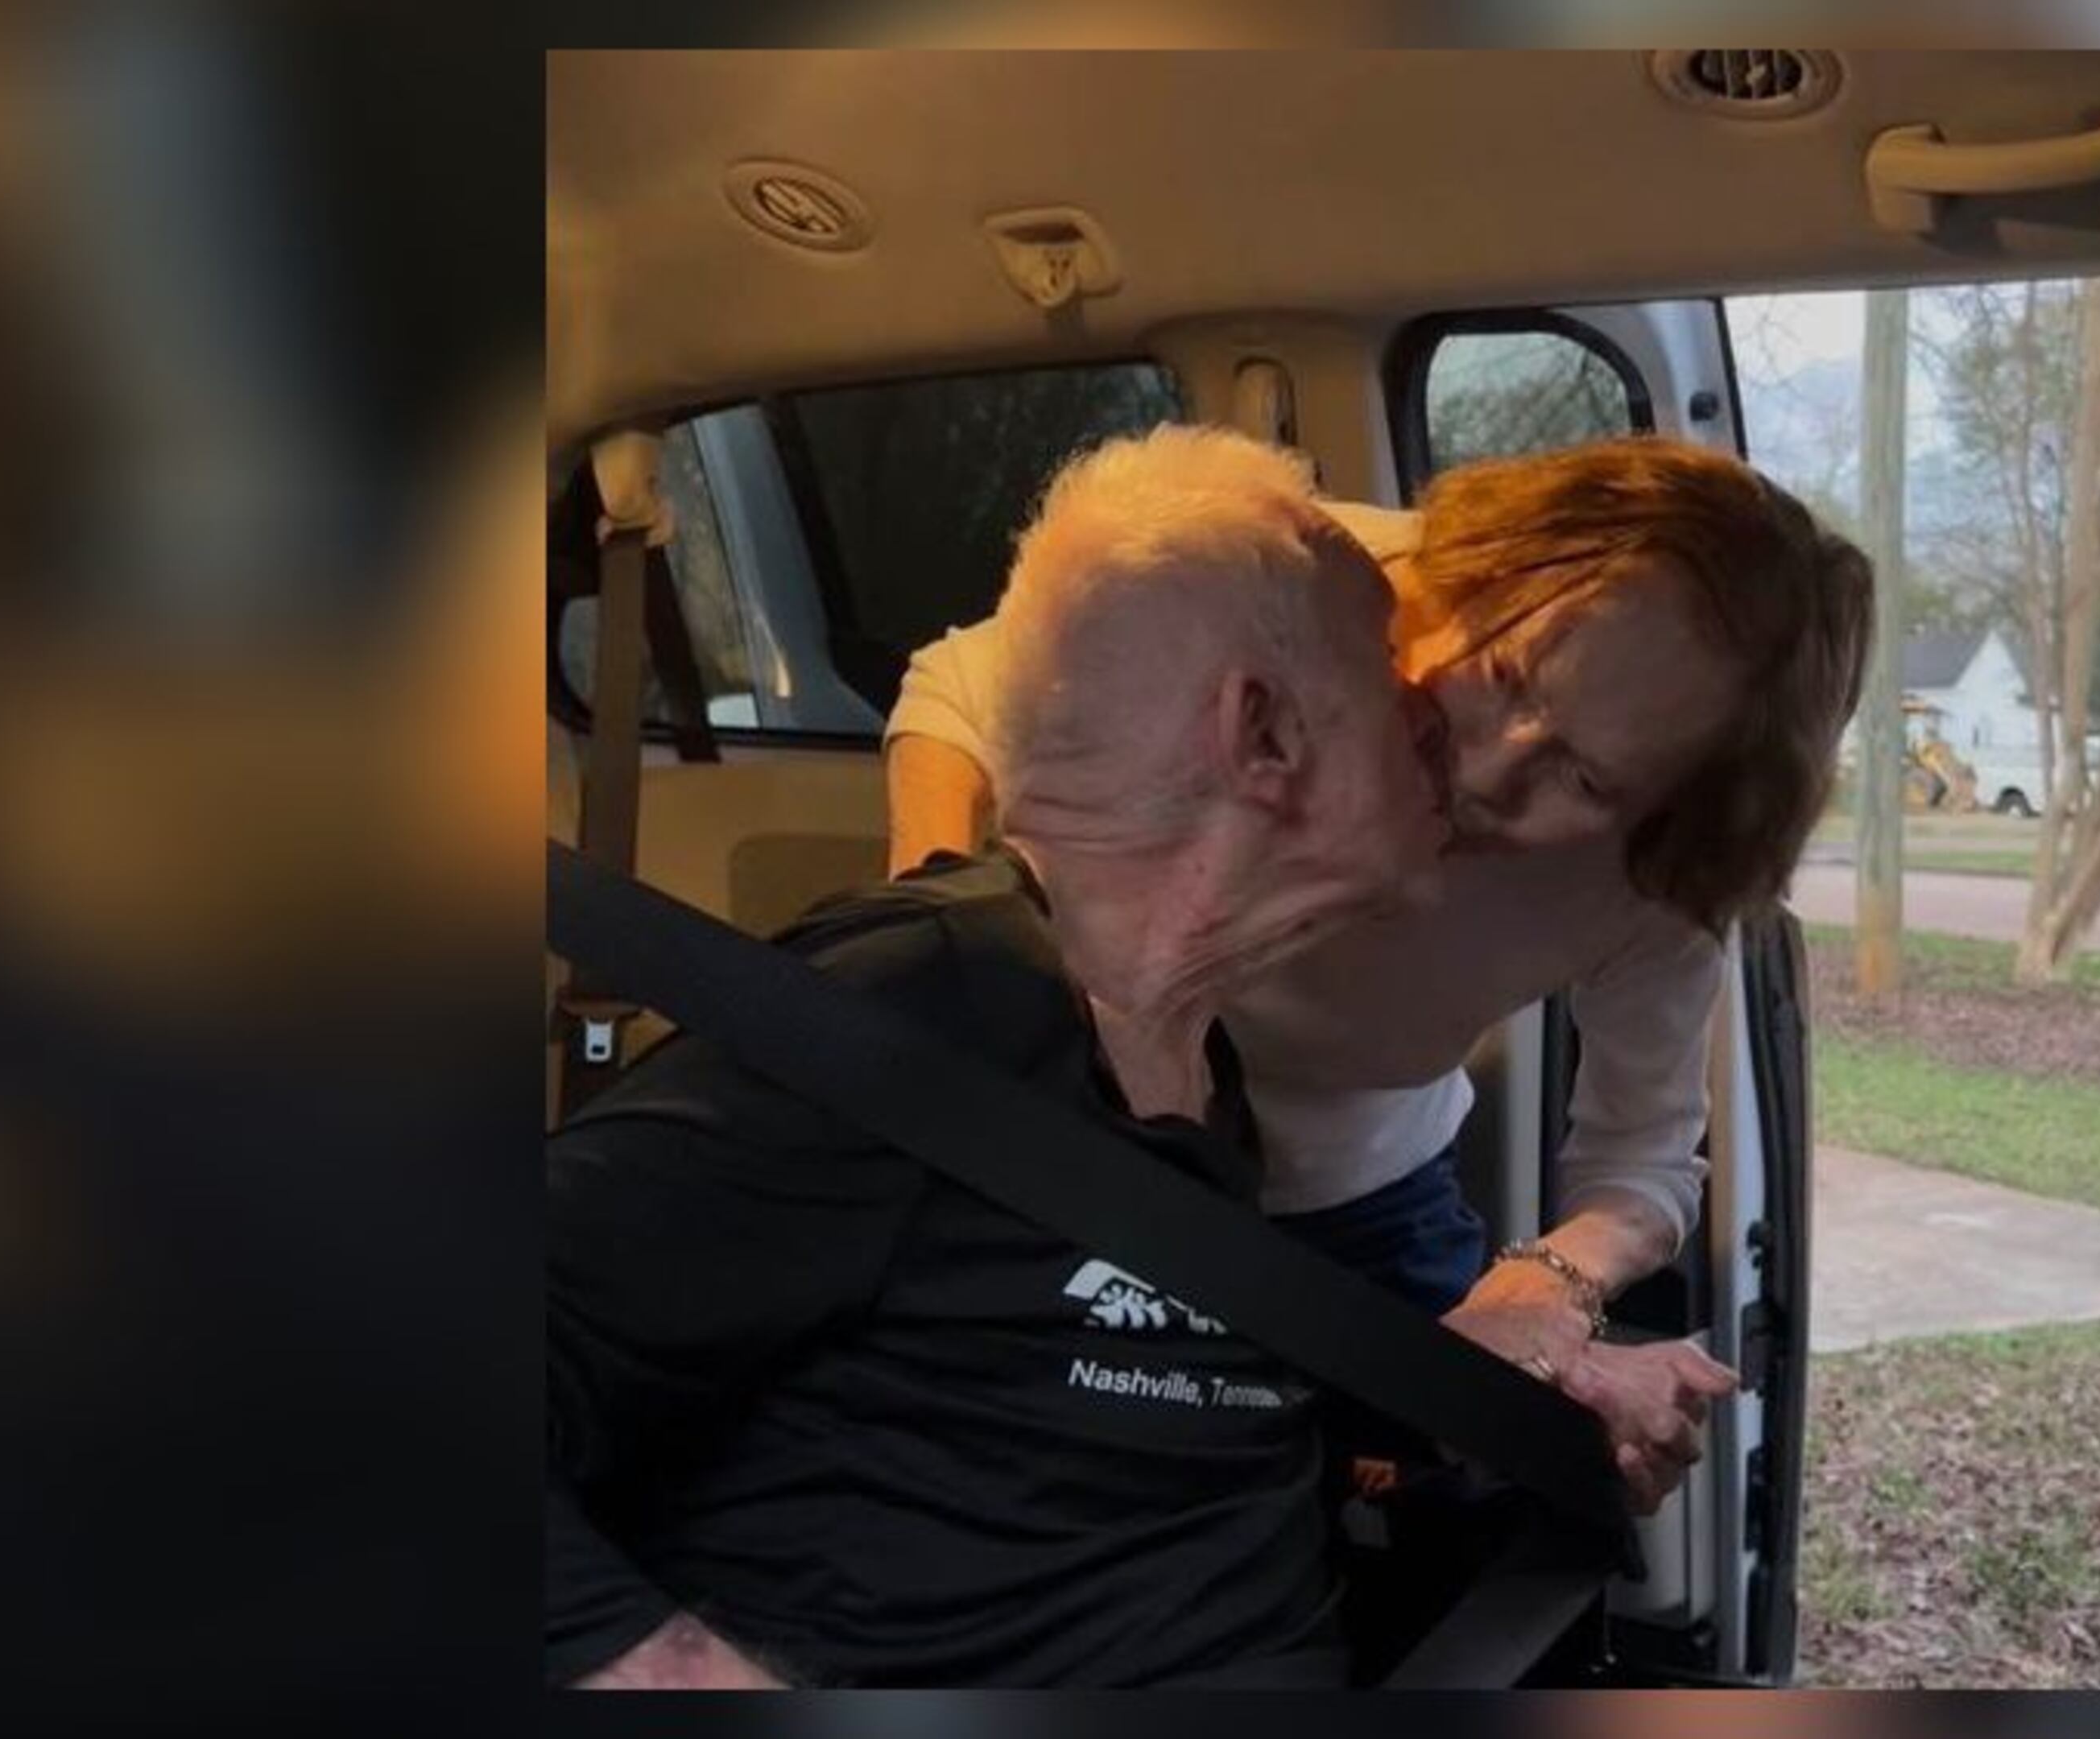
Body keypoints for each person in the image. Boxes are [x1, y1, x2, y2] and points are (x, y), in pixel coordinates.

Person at [546, 428, 1713, 1691]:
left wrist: (1500, 1387)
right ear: (1261, 737)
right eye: (1391, 683)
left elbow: (1147, 1420)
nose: (1454, 740)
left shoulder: (1193, 1069)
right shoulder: (921, 1012)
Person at [887, 436, 1871, 1460]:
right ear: (1478, 572)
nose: (1486, 775)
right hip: (1068, 1150)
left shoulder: (1665, 877)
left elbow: (1643, 1157)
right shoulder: (1307, 573)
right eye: (1502, 672)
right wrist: (963, 959)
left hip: (1354, 1214)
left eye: (1586, 783)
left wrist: (1539, 1297)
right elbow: (957, 687)